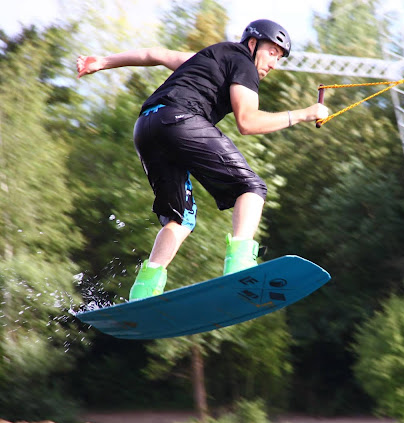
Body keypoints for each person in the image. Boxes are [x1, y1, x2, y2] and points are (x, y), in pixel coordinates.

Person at [77, 19, 329, 301]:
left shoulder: (208, 56)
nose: (274, 63)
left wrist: (101, 62)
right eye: (272, 52)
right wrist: (305, 114)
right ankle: (240, 264)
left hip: (146, 126)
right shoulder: (244, 63)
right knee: (251, 188)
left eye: (280, 57)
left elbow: (156, 55)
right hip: (179, 119)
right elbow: (247, 121)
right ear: (252, 43)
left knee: (179, 218)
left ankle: (144, 289)